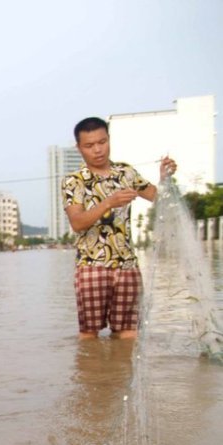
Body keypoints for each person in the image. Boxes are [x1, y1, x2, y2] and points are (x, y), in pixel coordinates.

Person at [62, 116, 176, 339]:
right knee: (89, 335)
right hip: (92, 266)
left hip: (127, 266)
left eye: (102, 142)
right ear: (79, 148)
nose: (97, 150)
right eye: (89, 145)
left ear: (109, 140)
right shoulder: (74, 181)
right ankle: (94, 374)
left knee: (129, 333)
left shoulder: (126, 173)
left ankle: (119, 374)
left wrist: (165, 178)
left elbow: (159, 199)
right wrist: (108, 203)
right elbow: (77, 223)